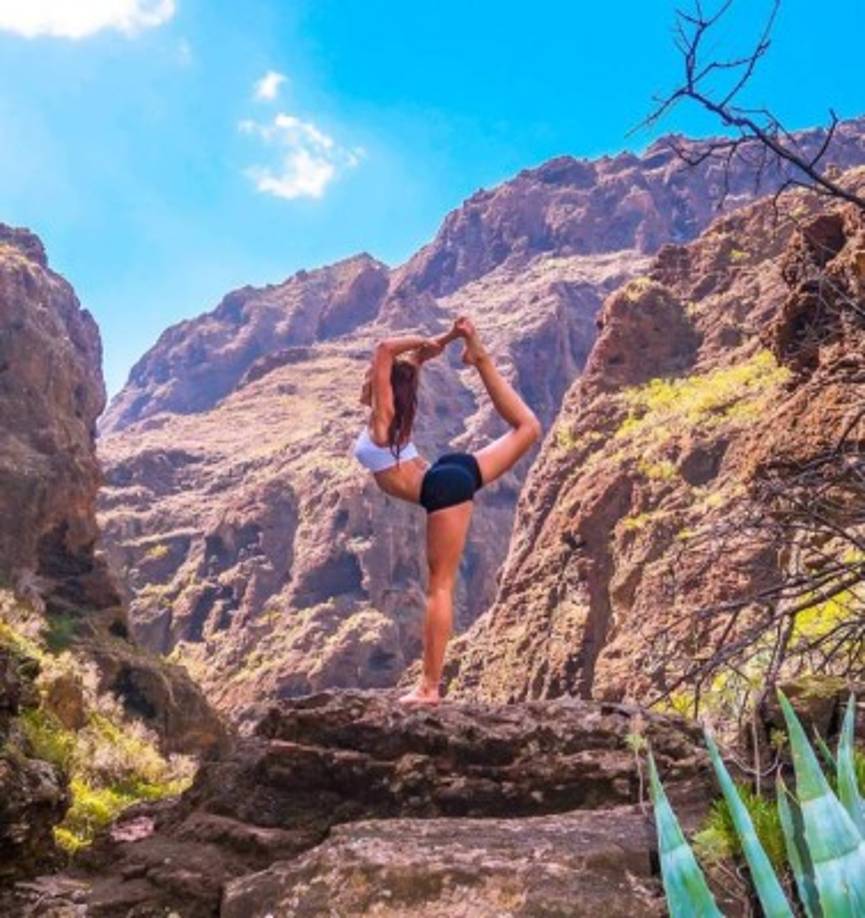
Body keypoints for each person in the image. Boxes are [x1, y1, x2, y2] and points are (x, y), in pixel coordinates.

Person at [353, 317, 542, 705]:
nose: (367, 377)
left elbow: (385, 349)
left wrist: (421, 339)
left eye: (371, 376)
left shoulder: (384, 420)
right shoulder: (398, 405)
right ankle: (480, 358)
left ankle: (429, 688)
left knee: (440, 587)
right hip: (448, 471)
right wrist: (455, 335)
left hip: (441, 488)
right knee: (527, 428)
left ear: (382, 386)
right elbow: (418, 356)